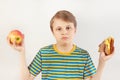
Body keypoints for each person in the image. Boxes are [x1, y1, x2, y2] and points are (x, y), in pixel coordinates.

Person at [8, 10, 114, 80]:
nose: (64, 32)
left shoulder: (83, 56)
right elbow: (26, 78)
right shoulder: (44, 53)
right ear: (53, 32)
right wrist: (22, 52)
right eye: (59, 29)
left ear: (75, 30)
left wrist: (102, 62)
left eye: (68, 28)